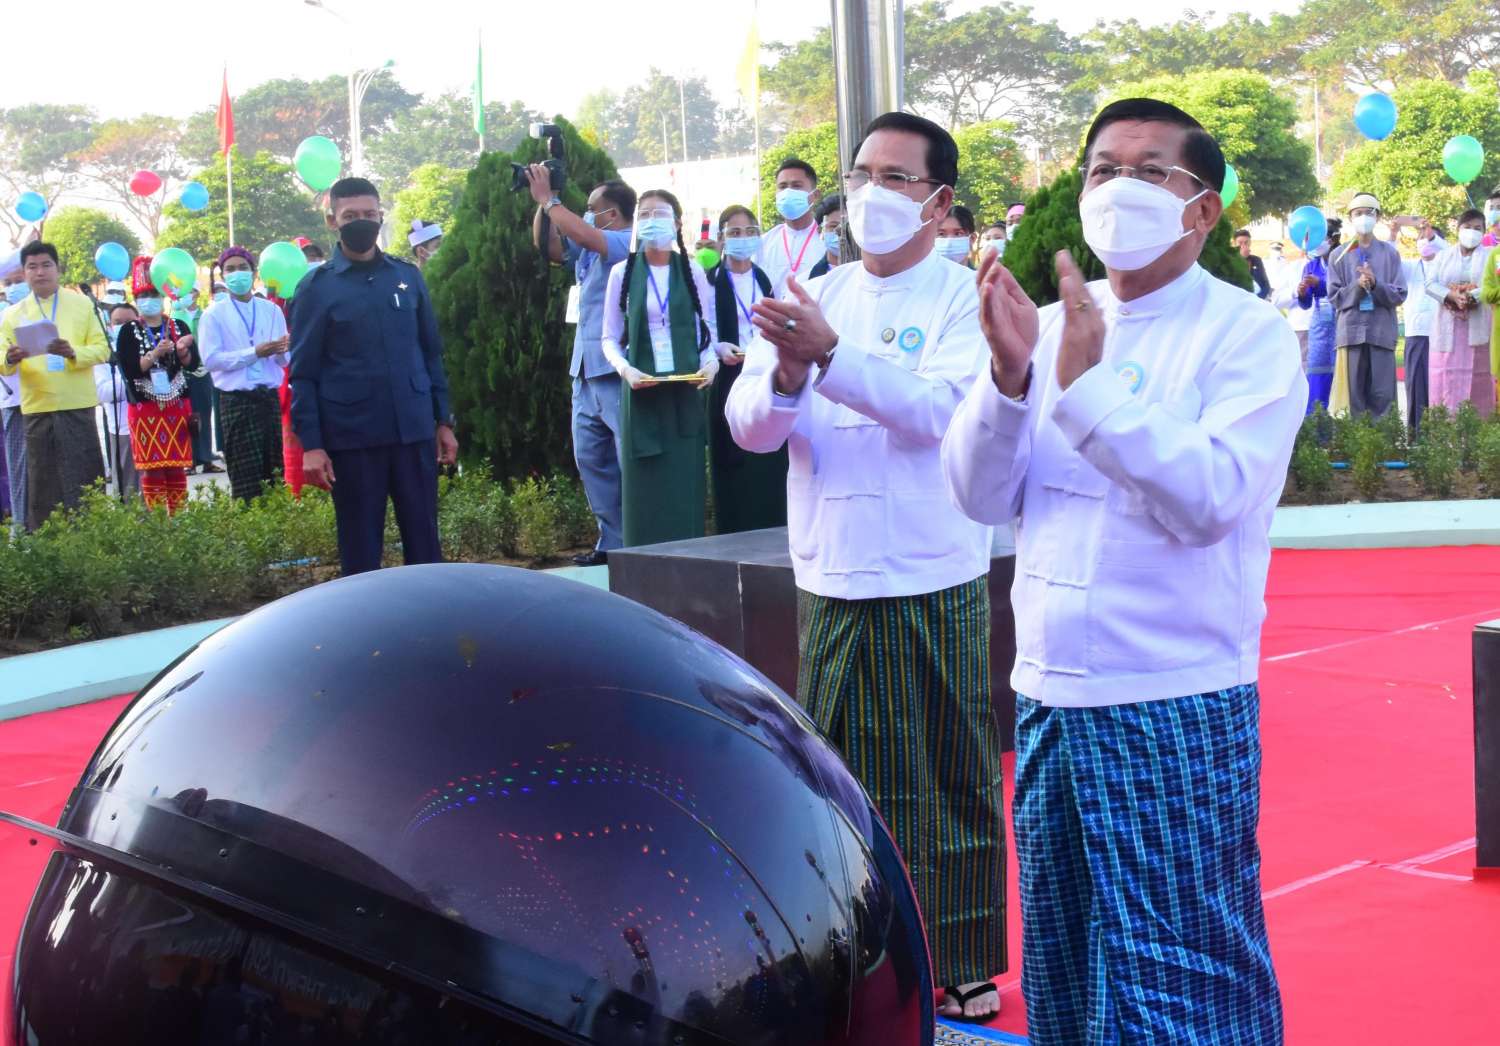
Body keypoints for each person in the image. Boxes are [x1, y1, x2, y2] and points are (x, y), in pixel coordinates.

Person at [942, 97, 1302, 1045]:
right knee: (1064, 953)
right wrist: (1011, 382)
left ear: (1203, 210)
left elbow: (1214, 496)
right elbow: (979, 495)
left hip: (1172, 695)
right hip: (1050, 693)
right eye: (1104, 169)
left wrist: (1088, 387)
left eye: (1149, 171)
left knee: (1184, 962)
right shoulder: (1048, 327)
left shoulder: (1245, 333)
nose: (1118, 188)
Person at [726, 111, 1005, 1022]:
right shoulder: (814, 292)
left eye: (895, 178)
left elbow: (943, 416)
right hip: (833, 570)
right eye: (860, 175)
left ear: (939, 201)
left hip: (931, 568)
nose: (870, 194)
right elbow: (749, 428)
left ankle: (959, 959)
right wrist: (788, 378)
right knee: (841, 783)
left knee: (949, 773)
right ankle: (857, 957)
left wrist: (831, 359)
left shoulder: (963, 300)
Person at [290, 177, 457, 576]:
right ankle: (364, 619)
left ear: (381, 216)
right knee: (361, 552)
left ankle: (428, 614)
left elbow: (430, 353)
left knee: (425, 546)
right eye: (350, 216)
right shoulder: (316, 288)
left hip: (413, 431)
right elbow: (304, 373)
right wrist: (312, 445)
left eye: (369, 214)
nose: (361, 222)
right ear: (332, 221)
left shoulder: (407, 276)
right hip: (353, 438)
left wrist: (443, 421)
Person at [600, 189, 719, 547]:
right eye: (645, 214)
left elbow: (707, 330)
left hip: (685, 392)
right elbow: (609, 338)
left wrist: (710, 361)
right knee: (645, 492)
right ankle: (645, 563)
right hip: (642, 393)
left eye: (660, 213)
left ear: (677, 223)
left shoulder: (691, 270)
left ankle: (691, 560)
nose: (652, 221)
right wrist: (625, 370)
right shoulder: (622, 273)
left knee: (684, 486)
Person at [531, 171, 638, 567]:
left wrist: (551, 200)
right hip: (584, 370)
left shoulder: (626, 242)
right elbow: (549, 247)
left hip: (614, 368)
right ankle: (612, 542)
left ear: (614, 214)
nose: (587, 214)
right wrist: (544, 203)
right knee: (591, 459)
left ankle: (640, 541)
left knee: (628, 460)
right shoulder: (589, 248)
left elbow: (585, 234)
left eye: (593, 209)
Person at [0, 242, 110, 529]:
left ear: (58, 268)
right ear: (24, 272)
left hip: (78, 404)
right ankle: (48, 545)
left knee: (86, 480)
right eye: (32, 267)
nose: (40, 272)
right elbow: (1, 359)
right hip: (37, 406)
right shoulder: (13, 314)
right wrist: (10, 358)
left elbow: (102, 349)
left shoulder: (82, 305)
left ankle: (93, 539)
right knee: (43, 486)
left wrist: (73, 353)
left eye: (46, 265)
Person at [708, 204, 786, 534]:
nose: (743, 238)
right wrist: (718, 347)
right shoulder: (710, 280)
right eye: (735, 233)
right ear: (722, 238)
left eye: (750, 232)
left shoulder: (764, 278)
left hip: (763, 371)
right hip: (727, 376)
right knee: (732, 457)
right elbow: (704, 326)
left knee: (768, 458)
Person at [199, 247, 289, 501]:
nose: (237, 274)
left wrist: (282, 349)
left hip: (268, 398)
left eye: (242, 268)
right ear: (222, 276)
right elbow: (212, 360)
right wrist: (254, 352)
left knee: (275, 474)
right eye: (230, 269)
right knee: (245, 478)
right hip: (237, 401)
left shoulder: (272, 310)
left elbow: (283, 361)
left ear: (254, 272)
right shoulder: (213, 314)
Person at [114, 258, 199, 512]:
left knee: (176, 467)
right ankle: (159, 523)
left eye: (153, 294)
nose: (148, 300)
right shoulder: (128, 331)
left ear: (163, 296)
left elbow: (193, 365)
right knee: (152, 470)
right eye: (143, 295)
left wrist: (182, 351)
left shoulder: (177, 325)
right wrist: (155, 354)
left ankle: (179, 519)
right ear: (136, 299)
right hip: (145, 408)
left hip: (177, 405)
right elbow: (130, 371)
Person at [1328, 193, 1406, 417]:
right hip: (1351, 333)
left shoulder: (1390, 253)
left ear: (1377, 217)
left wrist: (1375, 284)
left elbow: (1400, 293)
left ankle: (1384, 439)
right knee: (1353, 399)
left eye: (1368, 213)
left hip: (1381, 331)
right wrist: (1358, 286)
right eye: (1358, 213)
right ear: (1351, 218)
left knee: (1383, 397)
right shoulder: (1338, 255)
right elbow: (1334, 296)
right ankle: (1354, 440)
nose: (1363, 217)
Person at [1426, 210, 1495, 418]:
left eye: (1477, 228)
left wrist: (1473, 296)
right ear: (1458, 229)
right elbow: (1429, 284)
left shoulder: (1492, 256)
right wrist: (1451, 295)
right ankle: (1445, 432)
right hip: (1447, 328)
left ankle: (1478, 431)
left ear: (1484, 231)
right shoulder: (1443, 256)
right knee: (1444, 379)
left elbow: (1494, 284)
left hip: (1479, 327)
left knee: (1479, 380)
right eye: (1467, 227)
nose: (1472, 232)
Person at [759, 159, 826, 296]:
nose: (788, 192)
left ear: (815, 195)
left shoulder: (827, 241)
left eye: (796, 186)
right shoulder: (763, 244)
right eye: (782, 186)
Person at [95, 302, 140, 501]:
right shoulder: (105, 353)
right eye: (118, 322)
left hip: (153, 424)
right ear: (110, 325)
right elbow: (103, 392)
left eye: (129, 321)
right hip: (123, 429)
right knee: (129, 490)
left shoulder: (149, 346)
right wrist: (136, 375)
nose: (123, 326)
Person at [1296, 217, 1341, 413]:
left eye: (1320, 237)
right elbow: (1306, 304)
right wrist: (1302, 293)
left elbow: (1344, 289)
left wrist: (1320, 284)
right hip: (1319, 328)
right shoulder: (1310, 266)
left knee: (1340, 373)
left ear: (1332, 239)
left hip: (1341, 322)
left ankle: (1339, 422)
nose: (1315, 243)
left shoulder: (1342, 261)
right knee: (1317, 371)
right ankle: (1316, 420)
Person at [1403, 234, 1440, 432]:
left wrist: (1435, 239)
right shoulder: (1410, 266)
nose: (1424, 243)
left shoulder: (1445, 265)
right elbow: (1390, 261)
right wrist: (1393, 234)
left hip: (1440, 335)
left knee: (1438, 385)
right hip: (1415, 333)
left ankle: (1437, 432)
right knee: (1415, 385)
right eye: (1421, 238)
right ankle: (1416, 433)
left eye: (1429, 239)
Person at [1, 267, 28, 530]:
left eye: (18, 281)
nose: (13, 287)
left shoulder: (42, 311)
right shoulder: (3, 318)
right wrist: (8, 358)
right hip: (15, 402)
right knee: (19, 471)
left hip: (50, 399)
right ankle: (22, 533)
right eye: (7, 283)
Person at [807, 194, 844, 279]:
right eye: (833, 226)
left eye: (847, 226)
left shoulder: (870, 271)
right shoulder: (809, 278)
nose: (840, 232)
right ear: (820, 230)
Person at [1235, 228, 1272, 299]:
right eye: (1240, 243)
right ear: (1235, 244)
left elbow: (1266, 284)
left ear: (1250, 243)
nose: (1243, 246)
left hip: (1258, 299)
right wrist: (1241, 258)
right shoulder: (1230, 261)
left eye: (1246, 243)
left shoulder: (1257, 260)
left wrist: (1258, 299)